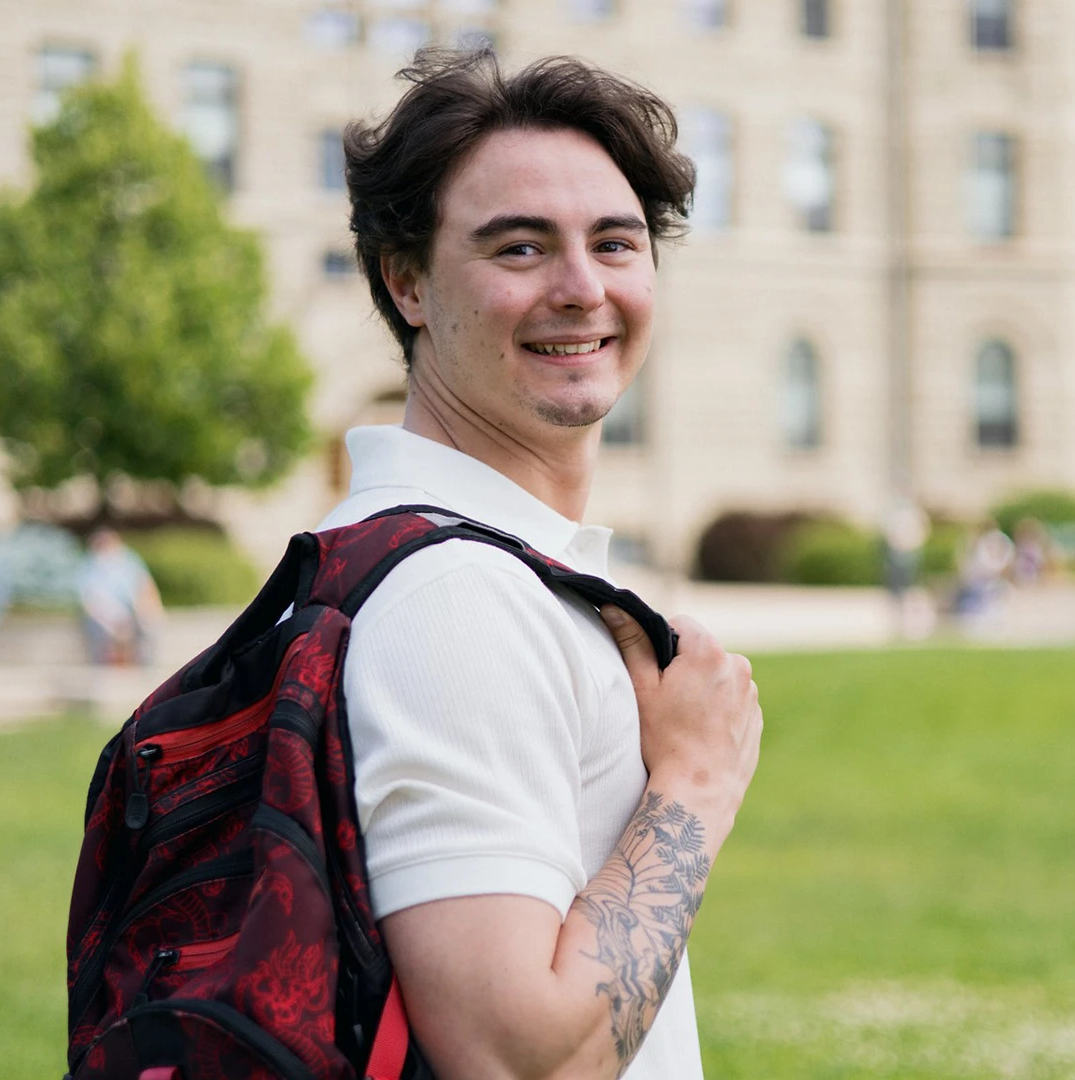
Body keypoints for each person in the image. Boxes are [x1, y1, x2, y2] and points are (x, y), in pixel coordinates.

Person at [321, 50, 763, 1079]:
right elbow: (516, 1060)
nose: (581, 289)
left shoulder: (437, 563)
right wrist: (697, 779)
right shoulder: (453, 599)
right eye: (519, 248)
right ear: (409, 281)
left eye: (616, 242)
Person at [76, 527, 163, 666]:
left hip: (131, 609)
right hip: (103, 614)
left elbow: (144, 585)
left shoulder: (129, 560)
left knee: (148, 626)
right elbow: (89, 599)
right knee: (104, 632)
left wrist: (148, 608)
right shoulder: (90, 566)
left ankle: (143, 665)